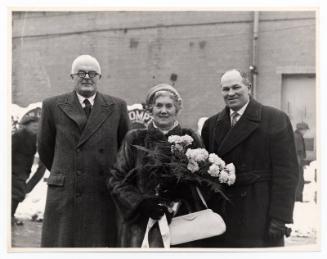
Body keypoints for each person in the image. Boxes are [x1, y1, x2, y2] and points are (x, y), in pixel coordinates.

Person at [37, 55, 129, 247]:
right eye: (81, 73)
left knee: (100, 245)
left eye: (92, 73)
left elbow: (124, 149)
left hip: (102, 189)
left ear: (99, 77)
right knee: (64, 245)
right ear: (72, 76)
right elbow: (45, 148)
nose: (87, 77)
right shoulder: (52, 105)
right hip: (66, 192)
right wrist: (66, 169)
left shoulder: (117, 106)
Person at [201, 69, 299, 247]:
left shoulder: (274, 119)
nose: (230, 93)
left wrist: (279, 217)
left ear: (249, 87)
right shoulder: (212, 124)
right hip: (222, 211)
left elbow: (287, 173)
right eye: (225, 89)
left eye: (236, 87)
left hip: (259, 209)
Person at [107, 84, 207, 247]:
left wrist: (185, 190)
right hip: (142, 226)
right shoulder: (135, 138)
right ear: (150, 110)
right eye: (158, 105)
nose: (163, 110)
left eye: (169, 106)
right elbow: (116, 180)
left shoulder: (190, 138)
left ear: (177, 109)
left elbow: (204, 178)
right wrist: (139, 203)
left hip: (181, 223)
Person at [12, 113, 46, 225]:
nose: (36, 127)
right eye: (33, 125)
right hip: (14, 171)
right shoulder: (18, 136)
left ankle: (10, 215)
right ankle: (9, 216)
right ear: (25, 125)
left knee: (17, 194)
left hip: (22, 172)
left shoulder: (35, 138)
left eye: (38, 125)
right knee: (15, 194)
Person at [294, 122, 309, 202]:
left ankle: (298, 198)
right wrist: (301, 163)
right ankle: (297, 199)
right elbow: (298, 152)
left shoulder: (298, 136)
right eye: (305, 130)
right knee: (299, 181)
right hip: (297, 163)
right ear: (301, 129)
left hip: (297, 162)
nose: (306, 132)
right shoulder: (297, 137)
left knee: (299, 181)